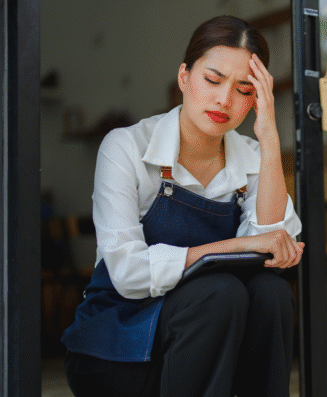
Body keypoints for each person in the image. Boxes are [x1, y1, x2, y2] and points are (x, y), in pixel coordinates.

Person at [60, 15, 303, 397]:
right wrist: (234, 246)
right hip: (120, 350)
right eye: (212, 79)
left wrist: (271, 137)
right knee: (219, 292)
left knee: (270, 293)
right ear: (184, 77)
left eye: (244, 89)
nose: (225, 99)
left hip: (212, 346)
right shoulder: (126, 148)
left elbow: (270, 242)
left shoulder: (254, 157)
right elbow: (128, 272)